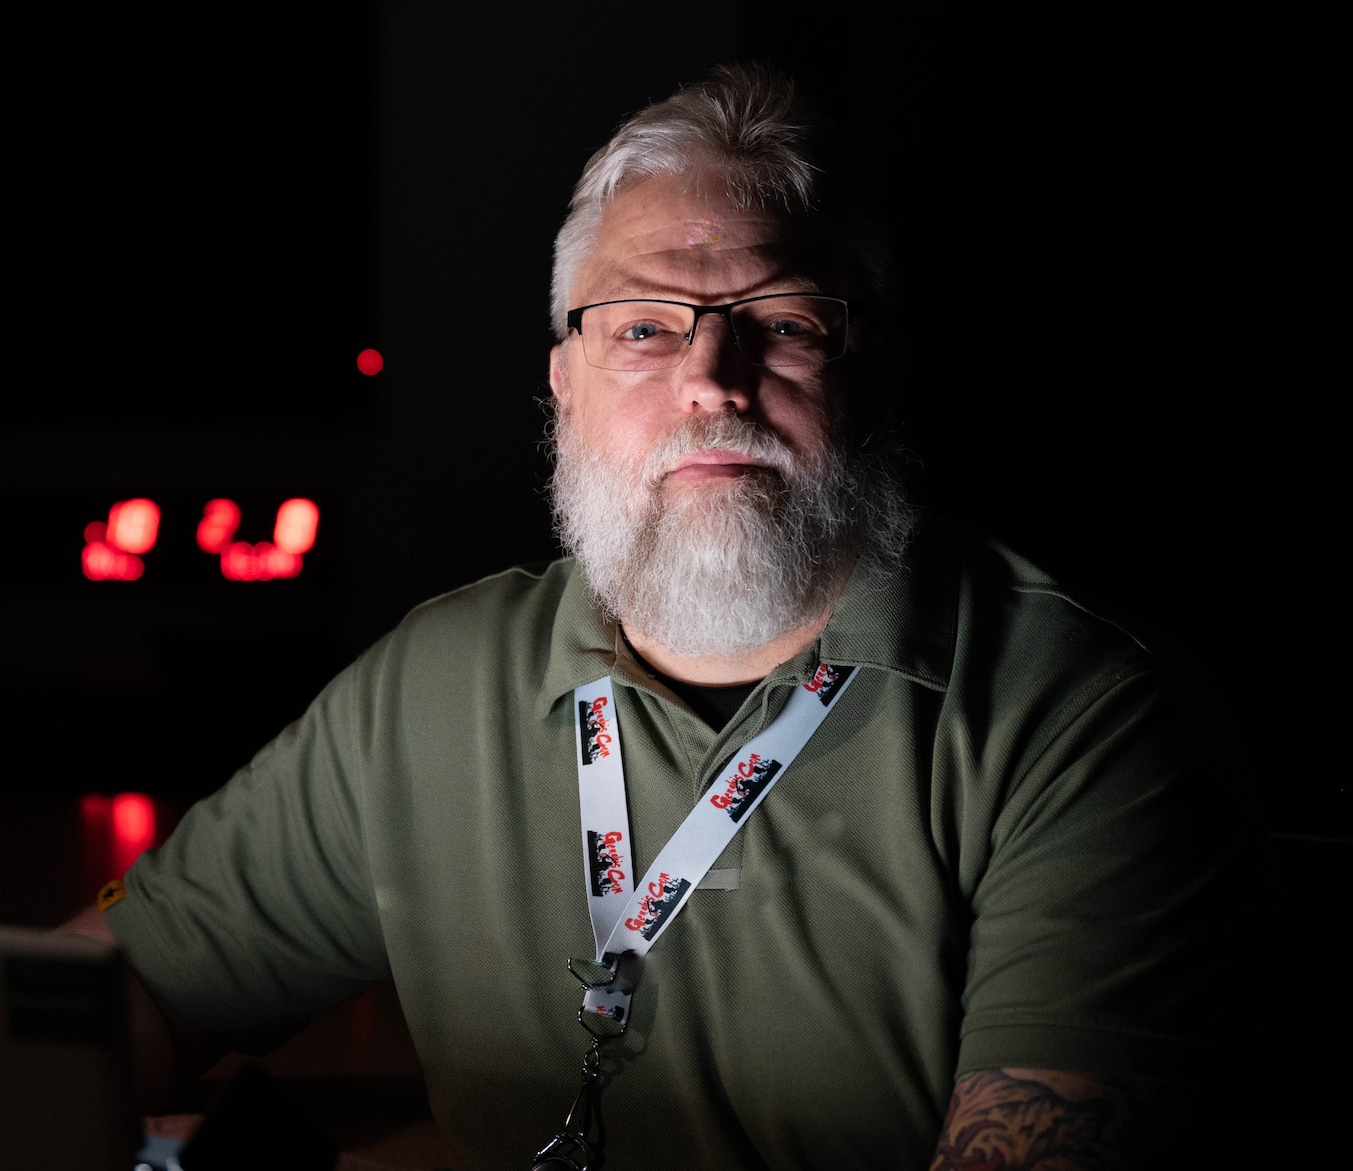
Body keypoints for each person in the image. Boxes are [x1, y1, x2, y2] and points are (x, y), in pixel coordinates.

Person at [68, 63, 1220, 1169]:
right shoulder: (428, 688)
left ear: (876, 371)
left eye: (782, 321)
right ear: (562, 383)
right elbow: (92, 1006)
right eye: (642, 328)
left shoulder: (1074, 716)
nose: (711, 377)